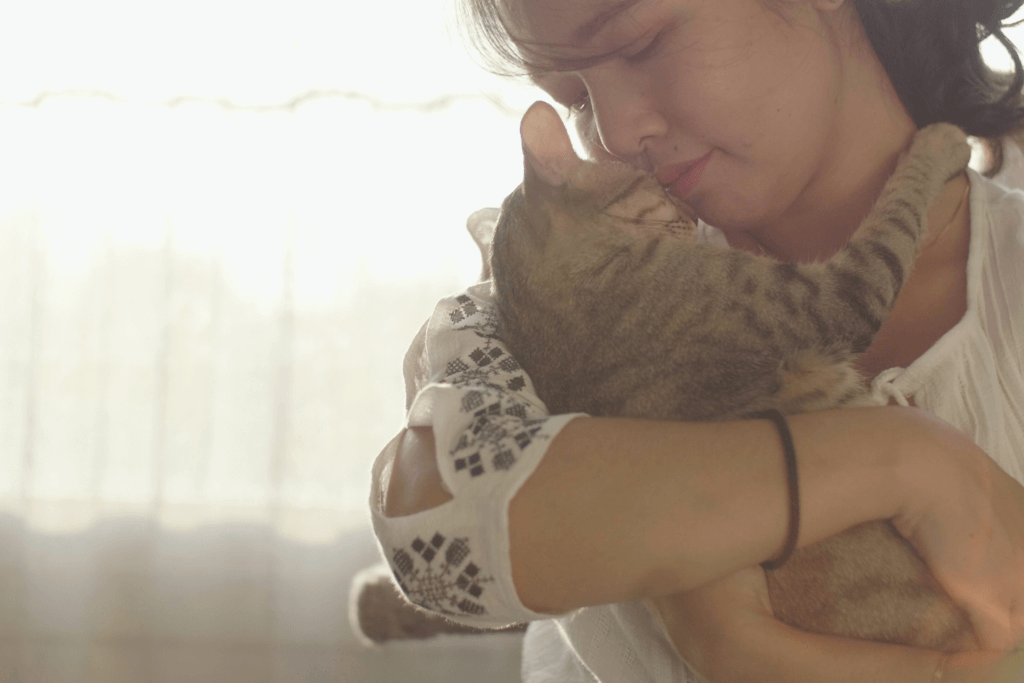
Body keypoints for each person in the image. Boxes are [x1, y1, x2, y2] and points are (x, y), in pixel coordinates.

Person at [371, 0, 1024, 680]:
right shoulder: (552, 302)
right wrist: (910, 463)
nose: (619, 134)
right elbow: (440, 533)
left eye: (643, 44)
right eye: (575, 100)